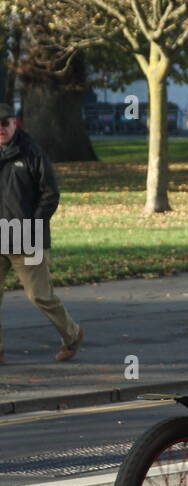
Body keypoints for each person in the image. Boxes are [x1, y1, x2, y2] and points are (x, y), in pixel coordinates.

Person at [0, 104, 84, 364]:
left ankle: (72, 335)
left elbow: (50, 194)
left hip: (27, 238)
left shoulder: (32, 153)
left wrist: (33, 225)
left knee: (40, 295)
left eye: (5, 123)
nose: (1, 128)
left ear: (16, 124)